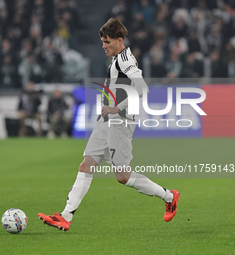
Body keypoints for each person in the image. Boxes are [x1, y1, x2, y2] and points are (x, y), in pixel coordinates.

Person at [38, 18, 180, 231]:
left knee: (122, 176)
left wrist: (117, 108)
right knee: (86, 165)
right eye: (102, 41)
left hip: (120, 123)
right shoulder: (117, 59)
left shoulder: (125, 59)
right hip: (105, 122)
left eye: (107, 41)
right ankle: (65, 217)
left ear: (119, 40)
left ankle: (169, 196)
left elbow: (142, 88)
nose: (103, 46)